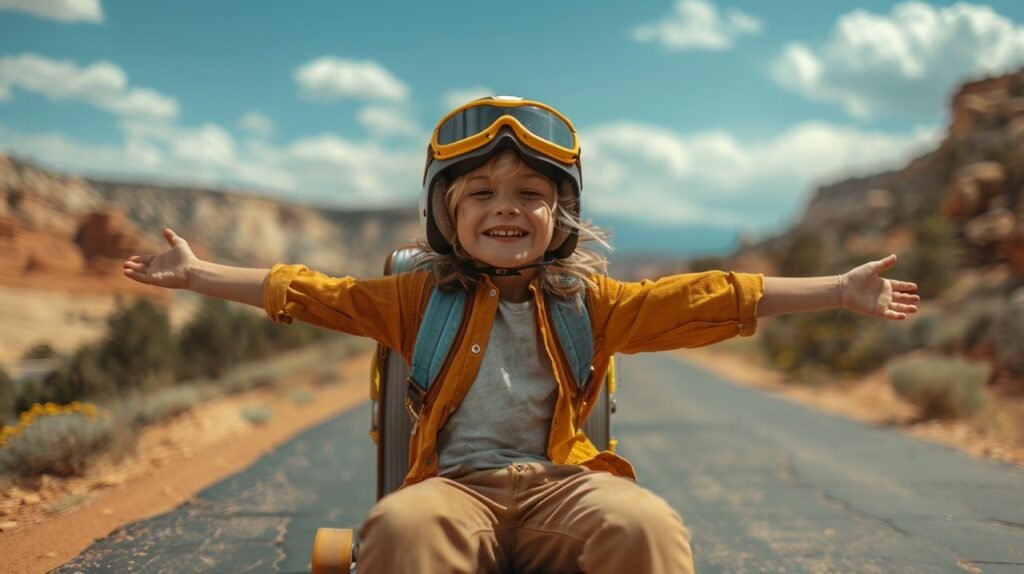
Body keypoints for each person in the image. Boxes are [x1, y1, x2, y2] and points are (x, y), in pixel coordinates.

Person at [123, 96, 919, 574]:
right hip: (453, 489)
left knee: (643, 521)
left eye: (531, 193)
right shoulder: (413, 298)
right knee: (400, 526)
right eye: (482, 192)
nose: (507, 206)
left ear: (559, 216)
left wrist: (839, 292)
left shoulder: (591, 302)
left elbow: (709, 297)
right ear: (447, 213)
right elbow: (303, 291)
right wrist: (198, 275)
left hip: (559, 487)